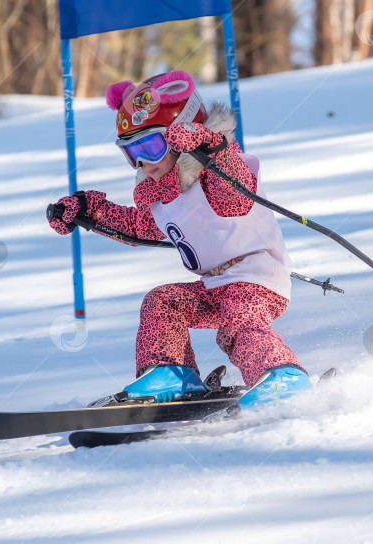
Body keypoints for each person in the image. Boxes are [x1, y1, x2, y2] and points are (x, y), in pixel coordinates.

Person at [47, 70, 311, 410]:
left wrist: (211, 149)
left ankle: (282, 376)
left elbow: (234, 197)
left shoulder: (219, 169)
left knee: (240, 318)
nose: (143, 161)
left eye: (152, 146)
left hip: (255, 279)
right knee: (162, 302)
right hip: (215, 285)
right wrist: (90, 211)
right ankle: (172, 373)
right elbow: (140, 226)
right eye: (131, 152)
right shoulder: (164, 194)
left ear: (180, 136)